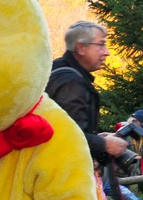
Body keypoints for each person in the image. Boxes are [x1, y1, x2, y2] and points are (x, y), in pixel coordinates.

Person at [45, 21, 125, 163]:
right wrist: (105, 144)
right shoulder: (71, 82)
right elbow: (67, 137)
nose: (106, 52)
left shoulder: (57, 69)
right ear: (81, 48)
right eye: (100, 45)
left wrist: (97, 137)